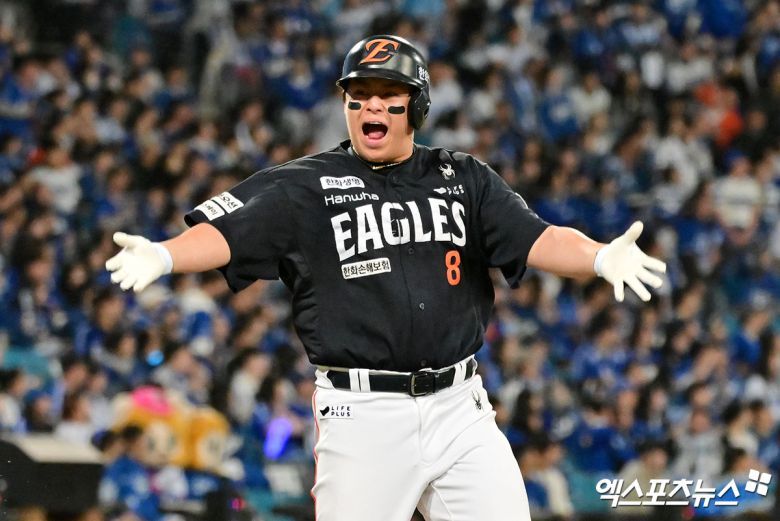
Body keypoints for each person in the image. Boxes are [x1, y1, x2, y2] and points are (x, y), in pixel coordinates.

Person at [105, 35, 666, 521]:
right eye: (359, 95)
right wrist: (164, 255)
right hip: (363, 415)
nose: (371, 105)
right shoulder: (306, 185)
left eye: (387, 95)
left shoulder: (463, 177)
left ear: (416, 106)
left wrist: (599, 257)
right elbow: (229, 233)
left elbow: (537, 237)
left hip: (460, 408)